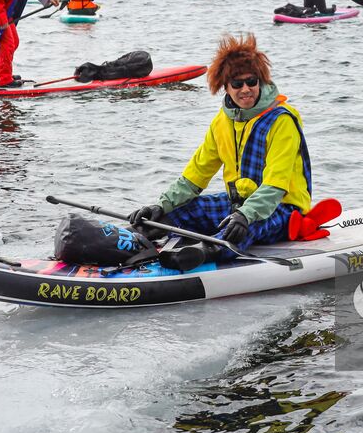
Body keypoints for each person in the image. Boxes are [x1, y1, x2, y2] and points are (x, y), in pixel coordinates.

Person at [129, 34, 313, 272]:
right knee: (179, 212)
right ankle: (128, 240)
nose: (245, 89)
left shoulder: (282, 121)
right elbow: (196, 174)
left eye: (252, 81)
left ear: (261, 81)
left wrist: (246, 215)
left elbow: (276, 185)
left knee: (242, 228)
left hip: (282, 208)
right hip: (239, 206)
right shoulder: (221, 122)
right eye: (237, 84)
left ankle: (201, 253)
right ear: (225, 86)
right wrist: (162, 207)